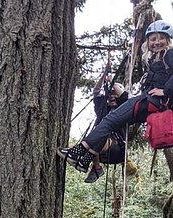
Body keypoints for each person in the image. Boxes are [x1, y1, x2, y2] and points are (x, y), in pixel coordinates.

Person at [58, 20, 173, 175]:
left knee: (109, 121)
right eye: (153, 39)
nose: (157, 42)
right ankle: (85, 161)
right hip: (150, 104)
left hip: (150, 101)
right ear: (148, 42)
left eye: (161, 38)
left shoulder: (169, 54)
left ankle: (77, 152)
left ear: (168, 39)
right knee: (110, 123)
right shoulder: (158, 58)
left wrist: (166, 91)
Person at [84, 67, 129, 183]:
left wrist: (112, 82)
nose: (112, 96)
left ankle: (96, 168)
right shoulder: (102, 108)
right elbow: (96, 91)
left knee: (96, 139)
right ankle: (96, 167)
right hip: (103, 151)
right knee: (91, 140)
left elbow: (124, 96)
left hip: (117, 148)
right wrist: (104, 74)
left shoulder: (124, 108)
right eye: (110, 94)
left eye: (115, 94)